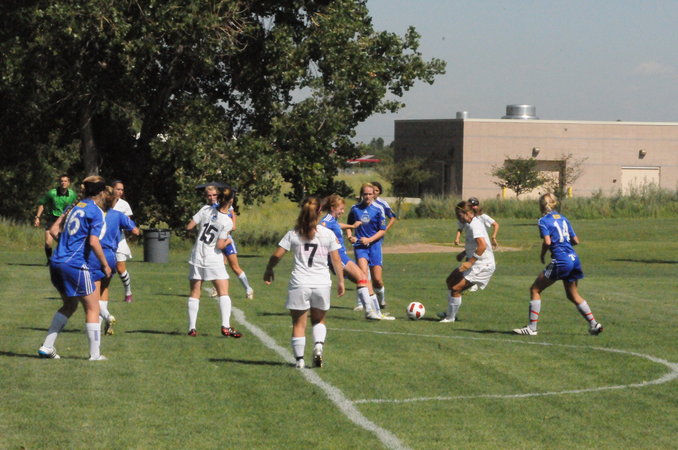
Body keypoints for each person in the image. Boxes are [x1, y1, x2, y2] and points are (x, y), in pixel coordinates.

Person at [264, 197, 345, 369]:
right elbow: (337, 260)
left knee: (298, 324)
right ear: (320, 212)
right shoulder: (328, 234)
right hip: (322, 283)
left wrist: (269, 269)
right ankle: (318, 346)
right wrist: (341, 281)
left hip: (300, 283)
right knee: (319, 320)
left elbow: (277, 255)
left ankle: (299, 360)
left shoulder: (293, 234)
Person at [38, 175, 111, 360]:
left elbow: (53, 230)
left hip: (56, 261)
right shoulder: (95, 212)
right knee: (93, 308)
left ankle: (47, 347)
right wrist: (105, 265)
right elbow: (94, 242)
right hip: (75, 264)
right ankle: (95, 355)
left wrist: (66, 243)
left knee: (70, 305)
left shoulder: (74, 207)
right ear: (102, 192)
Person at [513, 193, 603, 336]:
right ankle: (594, 324)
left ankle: (532, 328)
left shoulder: (543, 221)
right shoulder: (563, 218)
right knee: (573, 295)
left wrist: (542, 254)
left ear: (541, 205)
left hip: (561, 261)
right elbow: (576, 241)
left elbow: (547, 242)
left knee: (535, 289)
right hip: (574, 258)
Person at [320, 194, 394, 320]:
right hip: (338, 256)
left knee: (364, 280)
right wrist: (328, 244)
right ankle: (369, 312)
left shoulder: (333, 220)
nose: (343, 211)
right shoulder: (326, 220)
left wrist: (352, 226)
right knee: (362, 278)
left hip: (342, 255)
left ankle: (376, 312)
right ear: (333, 208)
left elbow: (337, 225)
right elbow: (319, 229)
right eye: (341, 209)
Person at [185, 186, 241, 338]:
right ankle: (225, 326)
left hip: (197, 256)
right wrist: (229, 241)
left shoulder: (205, 210)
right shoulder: (227, 221)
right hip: (213, 259)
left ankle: (192, 328)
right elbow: (220, 245)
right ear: (231, 200)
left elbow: (189, 226)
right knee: (223, 292)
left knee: (195, 292)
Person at [91, 186, 140, 335]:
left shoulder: (93, 213)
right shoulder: (118, 215)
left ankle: (105, 317)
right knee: (104, 288)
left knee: (92, 292)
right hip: (110, 255)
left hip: (94, 254)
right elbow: (135, 230)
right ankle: (103, 324)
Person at [438, 201, 496, 323]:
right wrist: (463, 253)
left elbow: (482, 246)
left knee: (456, 288)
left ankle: (450, 318)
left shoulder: (475, 225)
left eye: (459, 215)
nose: (458, 218)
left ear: (468, 213)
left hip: (483, 265)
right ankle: (450, 313)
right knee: (450, 280)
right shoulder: (470, 224)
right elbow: (474, 245)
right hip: (475, 262)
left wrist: (470, 262)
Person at [204, 187, 255, 300]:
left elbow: (232, 213)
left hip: (226, 241)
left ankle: (248, 289)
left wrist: (233, 225)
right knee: (214, 265)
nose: (212, 197)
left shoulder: (222, 205)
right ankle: (216, 288)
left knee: (235, 267)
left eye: (214, 195)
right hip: (214, 242)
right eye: (209, 195)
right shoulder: (207, 209)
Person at [345, 183, 388, 312]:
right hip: (360, 246)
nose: (368, 196)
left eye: (370, 194)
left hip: (374, 245)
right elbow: (349, 225)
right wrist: (350, 236)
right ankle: (361, 303)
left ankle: (381, 298)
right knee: (362, 275)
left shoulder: (379, 209)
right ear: (361, 195)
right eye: (365, 194)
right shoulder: (355, 209)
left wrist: (369, 239)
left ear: (374, 195)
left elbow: (382, 230)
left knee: (377, 280)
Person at [34, 175, 78, 262]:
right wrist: (37, 217)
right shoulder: (52, 193)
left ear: (69, 183)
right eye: (61, 181)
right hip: (52, 218)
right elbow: (42, 204)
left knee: (63, 242)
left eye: (65, 181)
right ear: (59, 182)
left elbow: (77, 205)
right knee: (48, 243)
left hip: (65, 220)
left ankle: (66, 258)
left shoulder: (72, 194)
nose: (63, 183)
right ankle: (49, 260)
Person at [369, 181, 397, 309]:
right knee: (364, 273)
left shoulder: (382, 204)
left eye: (376, 191)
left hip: (376, 240)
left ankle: (380, 299)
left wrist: (384, 229)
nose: (373, 193)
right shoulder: (362, 204)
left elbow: (392, 217)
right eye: (372, 190)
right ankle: (361, 303)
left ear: (379, 192)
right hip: (363, 241)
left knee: (376, 277)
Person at [110, 180, 135, 302]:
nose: (120, 192)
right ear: (112, 189)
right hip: (104, 240)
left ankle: (128, 291)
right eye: (118, 189)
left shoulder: (124, 205)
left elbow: (127, 223)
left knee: (120, 268)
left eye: (122, 190)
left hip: (119, 240)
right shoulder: (104, 202)